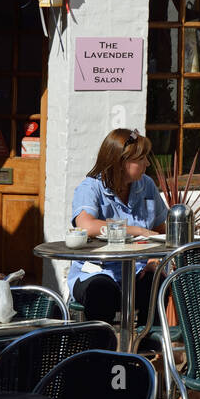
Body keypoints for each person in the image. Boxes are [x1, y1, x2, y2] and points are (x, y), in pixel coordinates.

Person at [70, 128, 169, 323]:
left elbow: (160, 231)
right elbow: (86, 225)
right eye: (141, 159)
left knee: (158, 284)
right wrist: (136, 230)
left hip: (135, 272)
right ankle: (101, 351)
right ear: (121, 161)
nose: (147, 163)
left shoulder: (146, 185)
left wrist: (153, 261)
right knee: (101, 290)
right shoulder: (90, 188)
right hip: (96, 271)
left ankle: (149, 348)